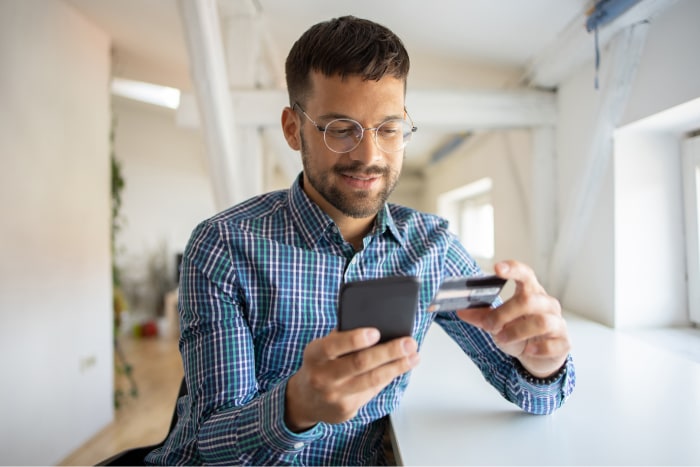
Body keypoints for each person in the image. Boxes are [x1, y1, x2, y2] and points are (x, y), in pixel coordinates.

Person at [146, 15, 575, 466]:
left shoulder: (433, 250)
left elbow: (537, 397)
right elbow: (213, 448)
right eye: (340, 129)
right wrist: (296, 407)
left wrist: (542, 360)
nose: (369, 156)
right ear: (293, 129)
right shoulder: (223, 246)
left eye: (388, 128)